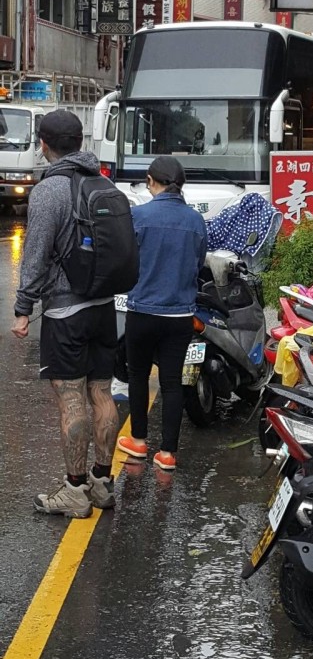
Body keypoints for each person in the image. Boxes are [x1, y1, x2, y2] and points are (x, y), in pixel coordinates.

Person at [12, 109, 119, 518]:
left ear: (43, 144)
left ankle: (74, 490)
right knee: (102, 392)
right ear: (80, 142)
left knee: (71, 397)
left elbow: (35, 255)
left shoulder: (49, 191)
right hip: (104, 306)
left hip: (65, 311)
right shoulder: (101, 182)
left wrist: (24, 309)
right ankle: (102, 482)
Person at [117, 156, 207, 472]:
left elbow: (126, 260)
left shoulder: (138, 215)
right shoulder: (195, 221)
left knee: (138, 375)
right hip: (180, 314)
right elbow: (198, 264)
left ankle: (139, 442)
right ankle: (168, 453)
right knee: (171, 382)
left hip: (142, 311)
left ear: (152, 181)